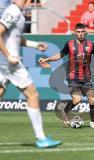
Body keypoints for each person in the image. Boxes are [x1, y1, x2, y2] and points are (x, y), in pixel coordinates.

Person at [0, 0, 61, 148]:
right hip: (9, 62)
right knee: (33, 95)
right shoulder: (13, 11)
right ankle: (41, 138)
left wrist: (35, 45)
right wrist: (8, 55)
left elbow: (14, 38)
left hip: (5, 61)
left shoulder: (18, 12)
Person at [39, 23, 94, 129]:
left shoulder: (91, 45)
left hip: (86, 78)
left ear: (85, 32)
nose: (80, 34)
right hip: (73, 77)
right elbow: (60, 55)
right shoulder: (69, 44)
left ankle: (93, 122)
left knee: (92, 100)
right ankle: (65, 112)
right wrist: (47, 59)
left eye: (82, 32)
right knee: (77, 99)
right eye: (78, 32)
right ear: (75, 33)